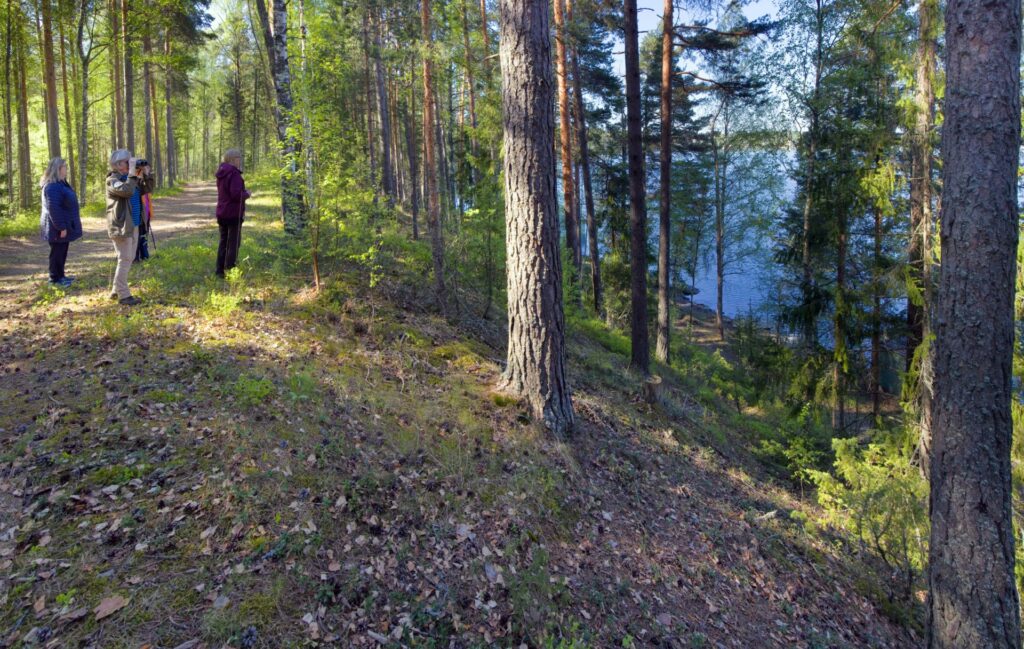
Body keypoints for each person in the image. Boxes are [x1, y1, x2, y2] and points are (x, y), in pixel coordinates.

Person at [106, 149, 154, 306]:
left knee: (127, 258)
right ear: (119, 164)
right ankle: (124, 295)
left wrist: (147, 174)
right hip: (121, 226)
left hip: (134, 224)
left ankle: (115, 290)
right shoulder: (112, 180)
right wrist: (133, 173)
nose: (130, 163)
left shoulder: (131, 178)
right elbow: (126, 191)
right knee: (125, 259)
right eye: (128, 161)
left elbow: (148, 189)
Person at [39, 157, 83, 287]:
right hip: (56, 227)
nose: (67, 169)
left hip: (63, 224)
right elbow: (54, 209)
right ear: (58, 169)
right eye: (65, 167)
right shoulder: (52, 186)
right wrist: (61, 227)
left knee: (62, 250)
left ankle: (61, 276)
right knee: (57, 252)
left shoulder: (60, 184)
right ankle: (54, 279)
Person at [214, 148, 251, 278]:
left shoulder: (222, 172)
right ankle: (230, 269)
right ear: (232, 159)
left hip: (222, 212)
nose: (240, 160)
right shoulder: (234, 173)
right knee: (234, 242)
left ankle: (219, 270)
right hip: (233, 213)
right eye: (238, 158)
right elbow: (236, 195)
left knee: (223, 241)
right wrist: (247, 194)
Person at [134, 191, 153, 262]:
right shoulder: (135, 186)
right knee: (138, 237)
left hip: (146, 216)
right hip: (139, 216)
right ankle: (136, 257)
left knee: (144, 236)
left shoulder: (145, 188)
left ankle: (144, 255)